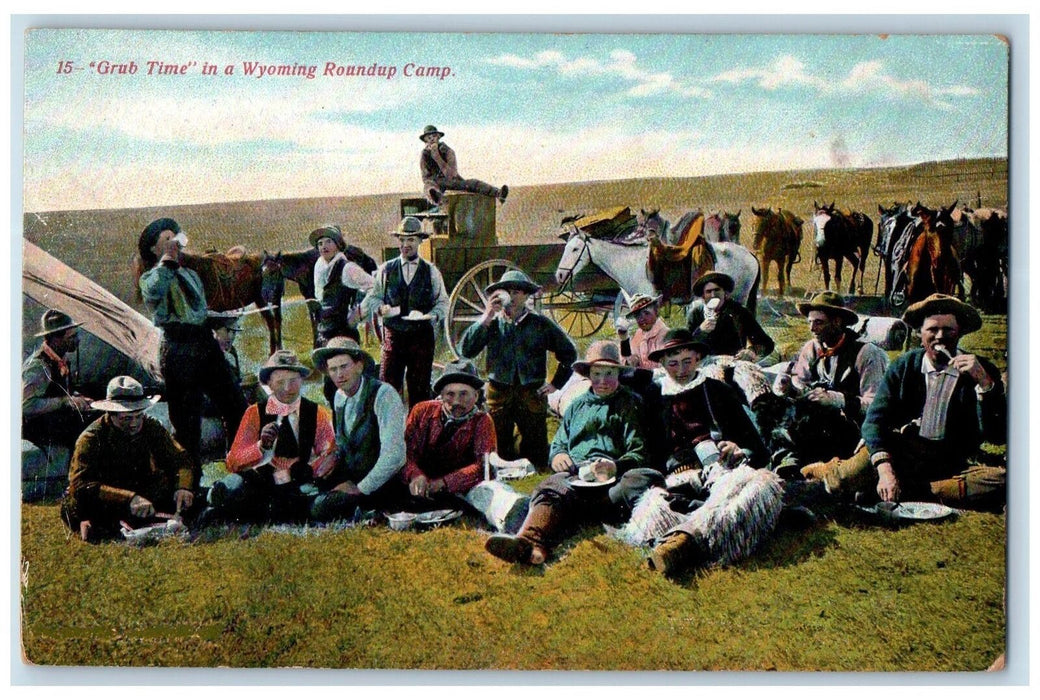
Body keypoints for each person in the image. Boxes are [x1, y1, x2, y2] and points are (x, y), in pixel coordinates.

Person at [802, 294, 1007, 508]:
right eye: (932, 330)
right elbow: (874, 421)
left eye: (948, 330)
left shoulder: (981, 370)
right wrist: (885, 470)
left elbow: (997, 435)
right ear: (920, 333)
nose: (940, 337)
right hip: (900, 452)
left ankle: (907, 491)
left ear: (960, 333)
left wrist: (985, 385)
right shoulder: (905, 366)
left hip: (950, 461)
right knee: (841, 482)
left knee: (1003, 482)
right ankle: (830, 470)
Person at [484, 340, 648, 565]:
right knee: (551, 485)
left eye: (609, 373)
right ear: (588, 374)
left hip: (612, 480)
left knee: (642, 480)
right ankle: (529, 544)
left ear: (619, 374)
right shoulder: (576, 406)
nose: (602, 380)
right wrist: (559, 456)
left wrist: (614, 466)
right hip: (577, 478)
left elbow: (639, 451)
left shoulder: (630, 403)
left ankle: (569, 517)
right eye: (596, 373)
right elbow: (560, 443)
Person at [137, 217, 247, 486]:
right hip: (178, 349)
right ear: (153, 249)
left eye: (176, 236)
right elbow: (154, 292)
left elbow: (196, 312)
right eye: (166, 239)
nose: (174, 241)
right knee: (186, 423)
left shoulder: (190, 275)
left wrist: (218, 322)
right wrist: (167, 262)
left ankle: (240, 469)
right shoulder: (151, 277)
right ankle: (189, 486)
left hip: (204, 344)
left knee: (236, 405)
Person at [459, 269, 578, 470]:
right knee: (499, 450)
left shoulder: (539, 324)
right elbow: (466, 350)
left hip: (531, 393)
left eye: (517, 292)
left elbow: (569, 354)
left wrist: (555, 384)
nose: (511, 298)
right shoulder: (493, 324)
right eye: (507, 292)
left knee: (537, 455)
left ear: (526, 296)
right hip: (499, 392)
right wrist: (486, 317)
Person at [205, 350, 338, 524]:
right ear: (269, 384)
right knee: (230, 490)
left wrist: (309, 470)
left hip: (299, 486)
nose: (288, 388)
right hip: (260, 485)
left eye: (293, 381)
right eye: (280, 382)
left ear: (301, 381)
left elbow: (329, 452)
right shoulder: (255, 413)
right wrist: (260, 446)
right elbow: (233, 461)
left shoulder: (316, 412)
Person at [766, 291, 889, 478]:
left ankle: (796, 458)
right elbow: (802, 385)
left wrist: (837, 400)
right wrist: (790, 388)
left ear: (837, 322)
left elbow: (876, 406)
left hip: (851, 429)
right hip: (814, 425)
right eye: (809, 322)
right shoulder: (812, 348)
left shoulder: (866, 353)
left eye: (819, 322)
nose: (812, 328)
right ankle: (788, 458)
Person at [60, 376, 195, 540]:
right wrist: (128, 498)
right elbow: (80, 485)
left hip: (140, 492)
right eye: (126, 418)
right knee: (83, 509)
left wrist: (184, 487)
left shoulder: (150, 426)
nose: (134, 424)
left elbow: (180, 457)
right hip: (105, 497)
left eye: (138, 416)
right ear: (111, 414)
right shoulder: (91, 437)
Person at [308, 336, 408, 522]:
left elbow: (395, 455)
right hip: (352, 476)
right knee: (304, 488)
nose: (339, 375)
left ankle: (368, 511)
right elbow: (343, 440)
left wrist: (359, 489)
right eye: (333, 369)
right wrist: (334, 456)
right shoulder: (339, 396)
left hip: (382, 483)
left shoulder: (383, 394)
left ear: (359, 366)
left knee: (319, 508)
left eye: (344, 366)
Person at [360, 216, 449, 408]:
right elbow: (373, 298)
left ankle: (418, 433)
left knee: (420, 391)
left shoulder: (431, 271)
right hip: (394, 338)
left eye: (410, 240)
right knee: (387, 389)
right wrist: (380, 308)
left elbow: (443, 302)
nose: (405, 245)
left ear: (419, 241)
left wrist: (432, 315)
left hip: (421, 339)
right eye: (402, 240)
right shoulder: (386, 270)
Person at [22, 309, 96, 451]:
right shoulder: (38, 367)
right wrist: (64, 401)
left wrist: (77, 398)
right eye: (72, 337)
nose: (77, 340)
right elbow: (26, 406)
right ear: (56, 339)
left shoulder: (60, 359)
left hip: (54, 420)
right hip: (38, 428)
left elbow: (60, 390)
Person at [309, 225, 374, 345]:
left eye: (329, 241)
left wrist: (359, 312)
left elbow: (375, 287)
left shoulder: (347, 268)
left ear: (338, 245)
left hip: (344, 334)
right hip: (324, 333)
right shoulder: (320, 267)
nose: (324, 246)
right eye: (320, 243)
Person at [686, 272, 774, 361]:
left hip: (734, 363)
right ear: (703, 296)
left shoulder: (739, 312)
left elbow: (767, 344)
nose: (713, 295)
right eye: (708, 292)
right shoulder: (696, 313)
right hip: (703, 364)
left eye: (717, 290)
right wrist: (701, 331)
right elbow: (686, 347)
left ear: (725, 293)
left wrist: (752, 351)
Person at [419, 125, 508, 207]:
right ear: (425, 141)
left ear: (438, 137)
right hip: (436, 184)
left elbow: (452, 174)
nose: (432, 139)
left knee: (473, 183)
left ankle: (498, 193)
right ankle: (438, 198)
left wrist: (437, 157)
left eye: (434, 136)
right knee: (429, 187)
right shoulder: (424, 154)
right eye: (429, 138)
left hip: (451, 181)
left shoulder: (448, 151)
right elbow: (425, 177)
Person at [617, 293, 670, 369]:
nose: (642, 319)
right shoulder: (638, 335)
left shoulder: (666, 335)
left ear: (656, 311)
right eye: (637, 315)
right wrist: (624, 339)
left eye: (646, 313)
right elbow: (629, 361)